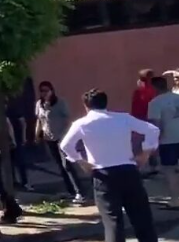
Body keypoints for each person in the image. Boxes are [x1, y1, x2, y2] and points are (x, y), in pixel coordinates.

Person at [59, 89, 160, 242]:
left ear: (86, 105)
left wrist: (81, 161)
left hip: (103, 174)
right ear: (106, 103)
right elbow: (153, 130)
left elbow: (65, 145)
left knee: (112, 221)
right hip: (128, 170)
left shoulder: (81, 124)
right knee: (142, 218)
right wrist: (145, 153)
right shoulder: (123, 118)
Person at [147, 76, 179, 209]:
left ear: (154, 87)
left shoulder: (155, 103)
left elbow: (156, 125)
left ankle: (175, 200)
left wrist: (154, 143)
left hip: (168, 141)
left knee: (169, 170)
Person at [35, 81, 86, 202]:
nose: (44, 93)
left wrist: (66, 136)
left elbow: (68, 119)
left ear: (52, 91)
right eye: (42, 91)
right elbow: (39, 119)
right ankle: (70, 191)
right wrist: (37, 134)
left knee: (67, 164)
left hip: (61, 137)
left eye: (46, 90)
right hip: (49, 138)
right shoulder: (39, 104)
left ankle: (80, 192)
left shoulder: (60, 103)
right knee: (59, 165)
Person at [5, 97, 32, 191]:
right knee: (10, 162)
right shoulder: (1, 112)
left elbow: (23, 122)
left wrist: (23, 137)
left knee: (20, 162)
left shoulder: (13, 110)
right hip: (8, 141)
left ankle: (24, 182)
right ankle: (14, 181)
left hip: (17, 138)